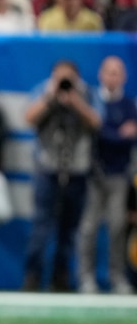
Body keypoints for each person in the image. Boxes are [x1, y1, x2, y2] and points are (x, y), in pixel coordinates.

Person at [23, 60, 101, 292]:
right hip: (47, 169)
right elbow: (29, 118)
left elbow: (97, 122)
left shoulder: (86, 93)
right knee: (41, 226)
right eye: (60, 77)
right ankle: (32, 278)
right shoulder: (44, 91)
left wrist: (76, 101)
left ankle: (61, 278)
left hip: (77, 170)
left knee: (70, 229)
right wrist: (50, 97)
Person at [76, 56, 137, 294]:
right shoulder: (92, 100)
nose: (112, 77)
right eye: (108, 72)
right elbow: (97, 133)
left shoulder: (128, 105)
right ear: (101, 75)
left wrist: (107, 131)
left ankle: (116, 277)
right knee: (89, 228)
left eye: (117, 72)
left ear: (123, 77)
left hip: (119, 175)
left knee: (117, 227)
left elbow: (129, 137)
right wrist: (115, 133)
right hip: (94, 174)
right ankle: (85, 277)